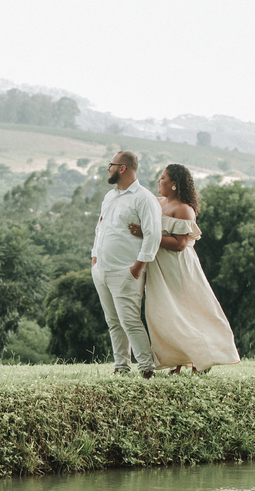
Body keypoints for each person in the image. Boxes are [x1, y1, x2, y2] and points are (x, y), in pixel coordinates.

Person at [127, 163, 239, 374]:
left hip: (178, 268)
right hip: (159, 269)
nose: (159, 181)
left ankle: (201, 359)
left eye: (163, 178)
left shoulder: (184, 210)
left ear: (175, 184)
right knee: (165, 314)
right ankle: (178, 361)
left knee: (186, 312)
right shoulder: (157, 203)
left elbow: (180, 244)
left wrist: (148, 235)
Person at [91, 151, 162, 377]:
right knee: (113, 322)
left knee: (130, 321)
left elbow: (153, 236)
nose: (108, 169)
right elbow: (99, 229)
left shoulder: (144, 198)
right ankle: (121, 367)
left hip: (126, 270)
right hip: (101, 269)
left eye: (111, 165)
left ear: (122, 168)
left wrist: (137, 267)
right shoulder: (109, 196)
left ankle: (146, 368)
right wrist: (94, 259)